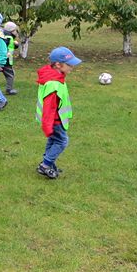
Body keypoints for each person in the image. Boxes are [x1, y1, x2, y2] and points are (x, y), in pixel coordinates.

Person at [36, 46, 82, 179]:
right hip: (55, 120)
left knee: (53, 140)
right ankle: (45, 165)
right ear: (58, 64)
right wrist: (48, 125)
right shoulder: (53, 83)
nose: (71, 68)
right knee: (62, 141)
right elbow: (49, 107)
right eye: (69, 65)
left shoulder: (55, 75)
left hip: (56, 119)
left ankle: (49, 163)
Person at [2, 21, 20, 95]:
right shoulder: (8, 38)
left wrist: (15, 44)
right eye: (15, 30)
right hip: (6, 61)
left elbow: (10, 47)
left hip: (3, 60)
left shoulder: (7, 37)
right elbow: (5, 47)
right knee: (11, 75)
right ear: (11, 30)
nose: (16, 32)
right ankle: (9, 90)